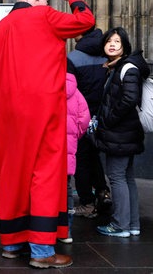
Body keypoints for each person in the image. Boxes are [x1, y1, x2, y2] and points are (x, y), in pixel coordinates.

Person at [0, 0, 94, 269]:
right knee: (45, 174)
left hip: (7, 114)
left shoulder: (2, 27)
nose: (48, 2)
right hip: (42, 109)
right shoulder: (43, 15)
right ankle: (42, 250)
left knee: (13, 175)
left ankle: (11, 243)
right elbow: (86, 21)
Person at [93, 27, 148, 238]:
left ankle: (120, 225)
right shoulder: (116, 67)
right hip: (125, 132)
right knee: (126, 177)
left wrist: (108, 119)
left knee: (117, 177)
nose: (112, 44)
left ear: (124, 45)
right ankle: (132, 224)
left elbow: (129, 99)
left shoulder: (127, 67)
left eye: (117, 41)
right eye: (109, 41)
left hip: (120, 132)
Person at [67, 28, 111, 218]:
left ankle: (87, 203)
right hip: (104, 114)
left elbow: (69, 90)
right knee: (93, 155)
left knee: (82, 158)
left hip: (79, 115)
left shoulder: (72, 58)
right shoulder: (107, 55)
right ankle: (102, 191)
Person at [62, 72, 91, 243]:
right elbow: (84, 119)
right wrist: (73, 136)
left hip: (46, 147)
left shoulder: (42, 86)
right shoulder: (75, 90)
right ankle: (67, 230)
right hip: (68, 146)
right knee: (66, 188)